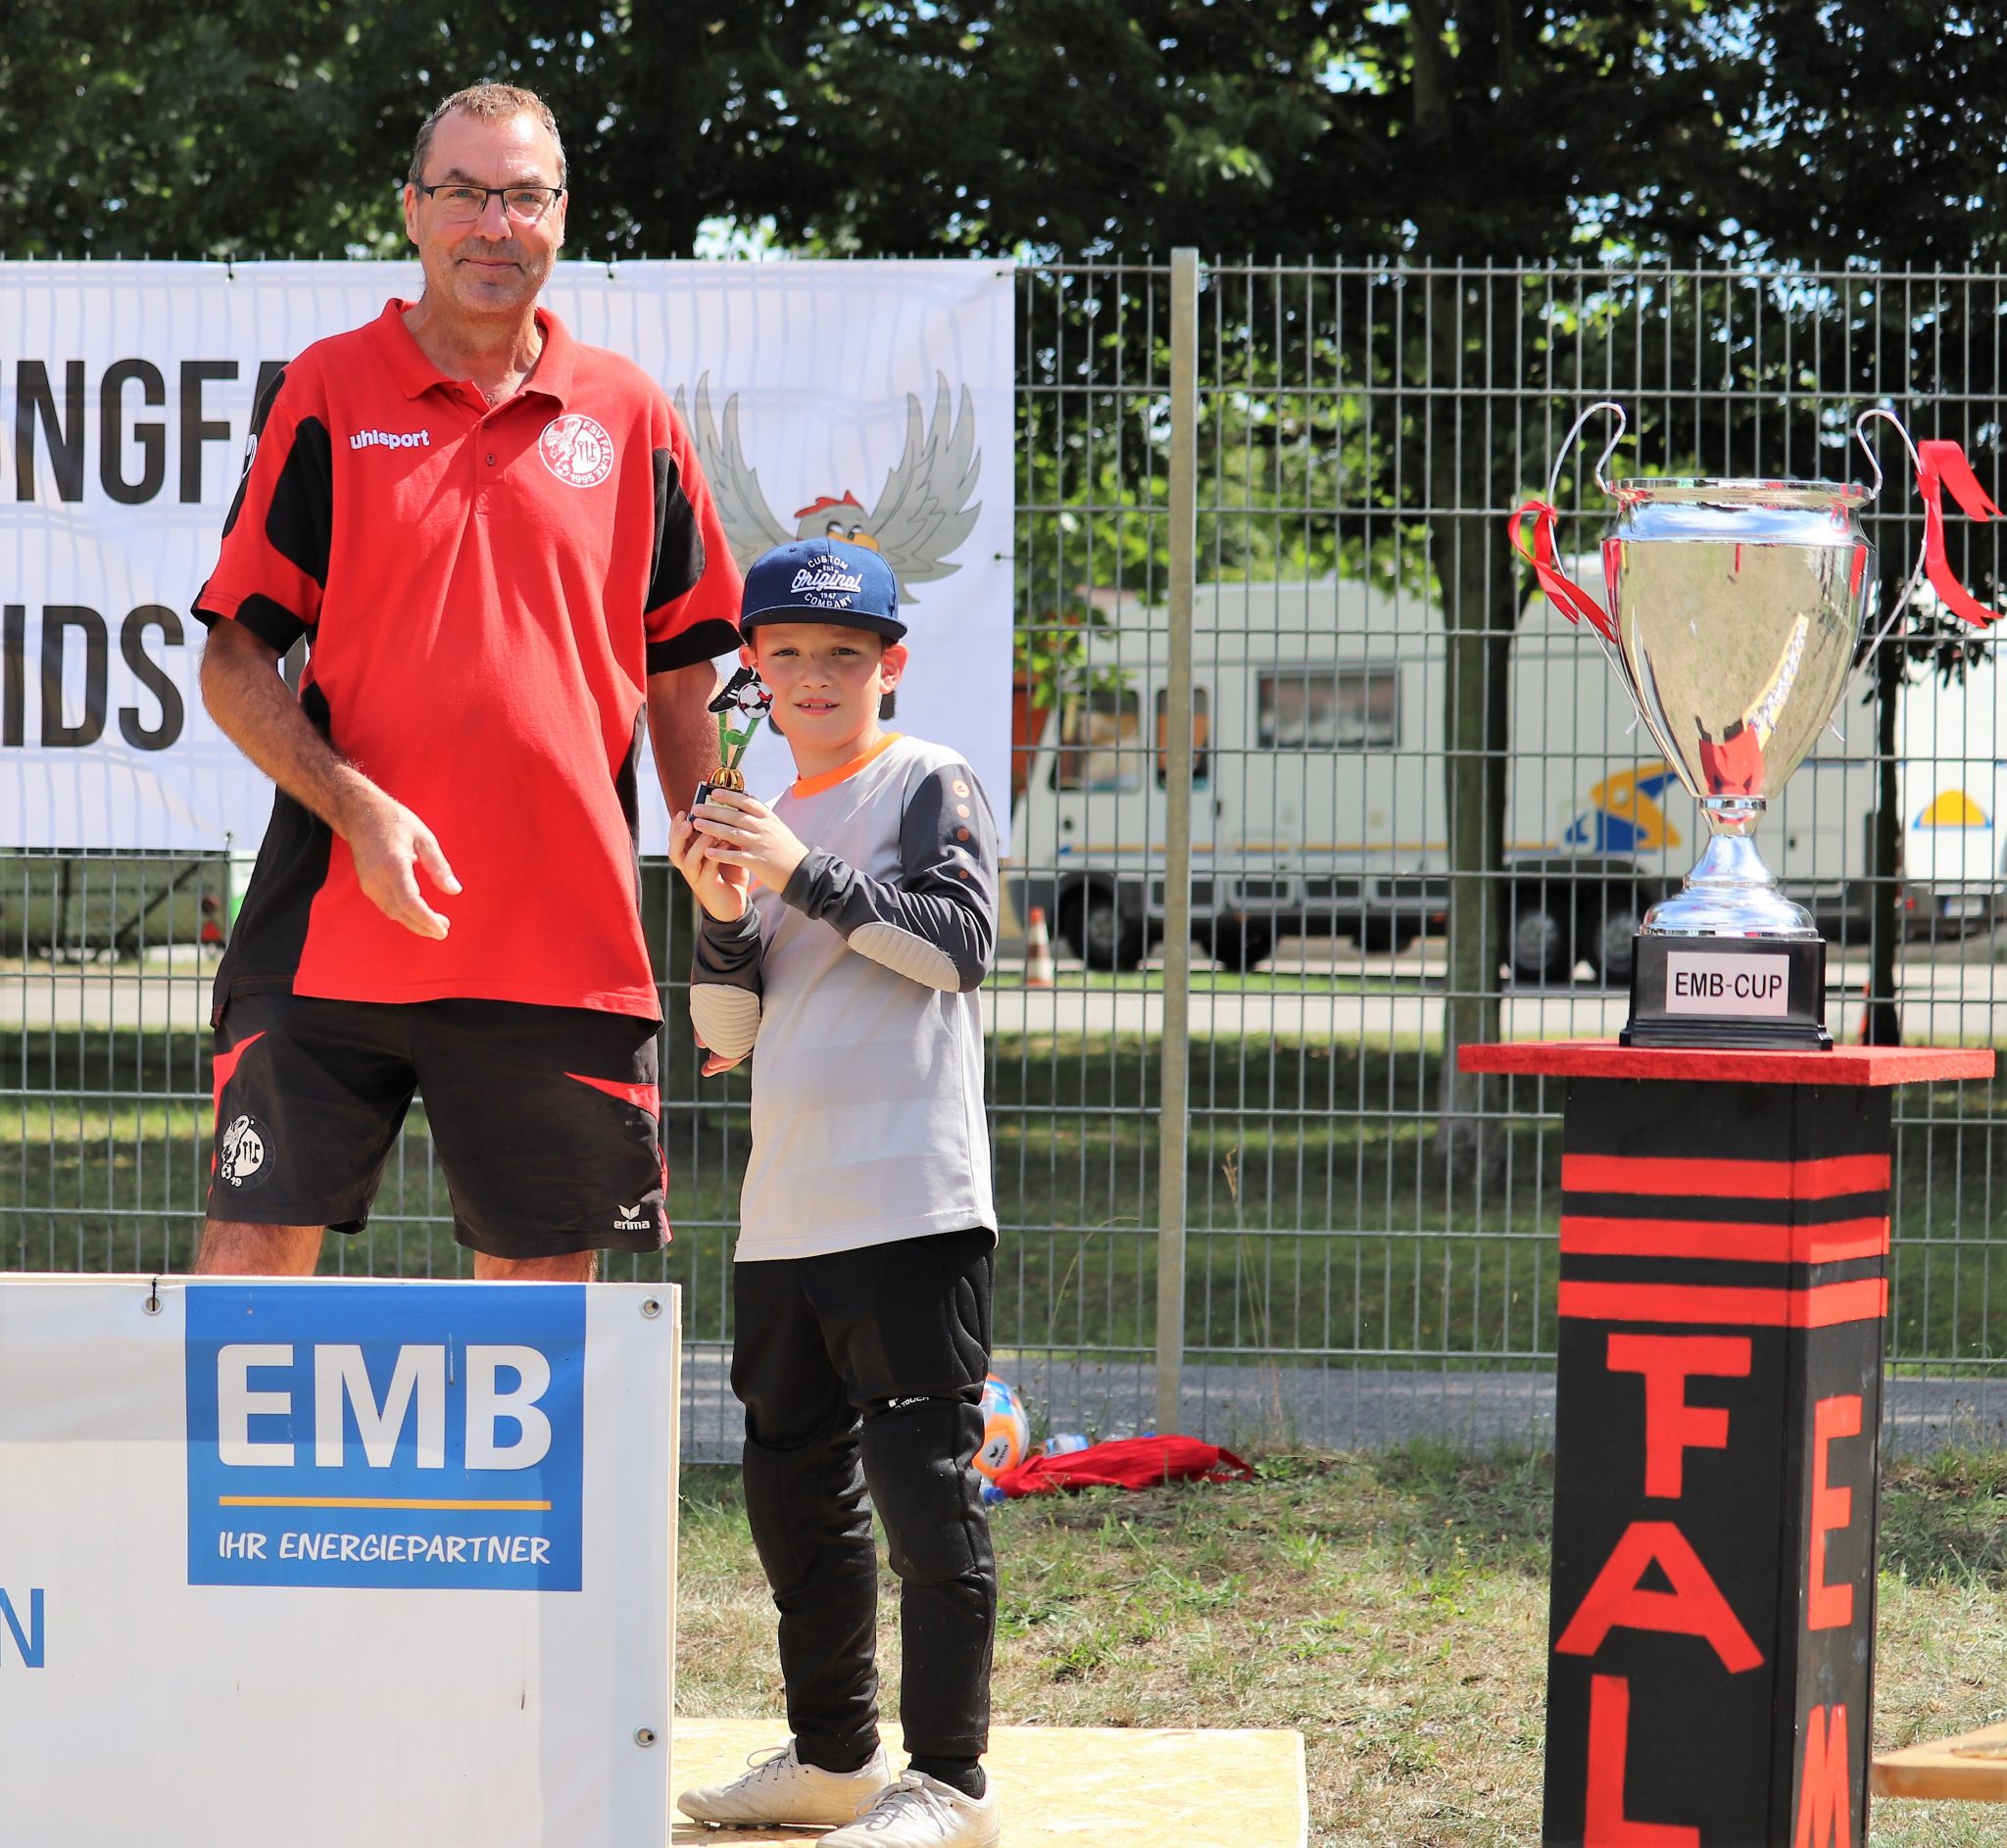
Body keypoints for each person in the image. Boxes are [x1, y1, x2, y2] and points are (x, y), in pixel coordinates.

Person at [191, 83, 741, 1280]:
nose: (494, 224)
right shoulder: (329, 391)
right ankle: (247, 1483)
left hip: (563, 944)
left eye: (524, 196)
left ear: (560, 216)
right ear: (411, 212)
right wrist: (358, 807)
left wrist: (723, 894)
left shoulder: (633, 415)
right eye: (463, 193)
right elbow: (232, 659)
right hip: (326, 929)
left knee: (542, 1330)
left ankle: (500, 1490)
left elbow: (688, 667)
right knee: (245, 1274)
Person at [671, 537, 1002, 1848]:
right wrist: (723, 916)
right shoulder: (748, 803)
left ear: (892, 666)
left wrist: (796, 868)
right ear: (753, 667)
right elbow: (726, 1034)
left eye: (845, 654)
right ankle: (832, 1759)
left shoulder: (929, 778)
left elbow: (956, 948)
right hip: (784, 1210)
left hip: (913, 1200)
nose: (816, 676)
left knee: (926, 1490)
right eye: (790, 653)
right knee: (791, 1490)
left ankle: (952, 1783)